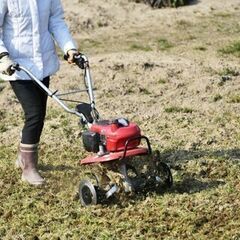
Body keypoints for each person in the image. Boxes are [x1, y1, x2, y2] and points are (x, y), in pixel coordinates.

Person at [0, 0, 79, 185]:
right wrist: (2, 56)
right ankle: (29, 168)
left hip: (43, 63)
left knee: (40, 114)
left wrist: (69, 48)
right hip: (16, 66)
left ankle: (22, 157)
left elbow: (55, 21)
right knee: (34, 114)